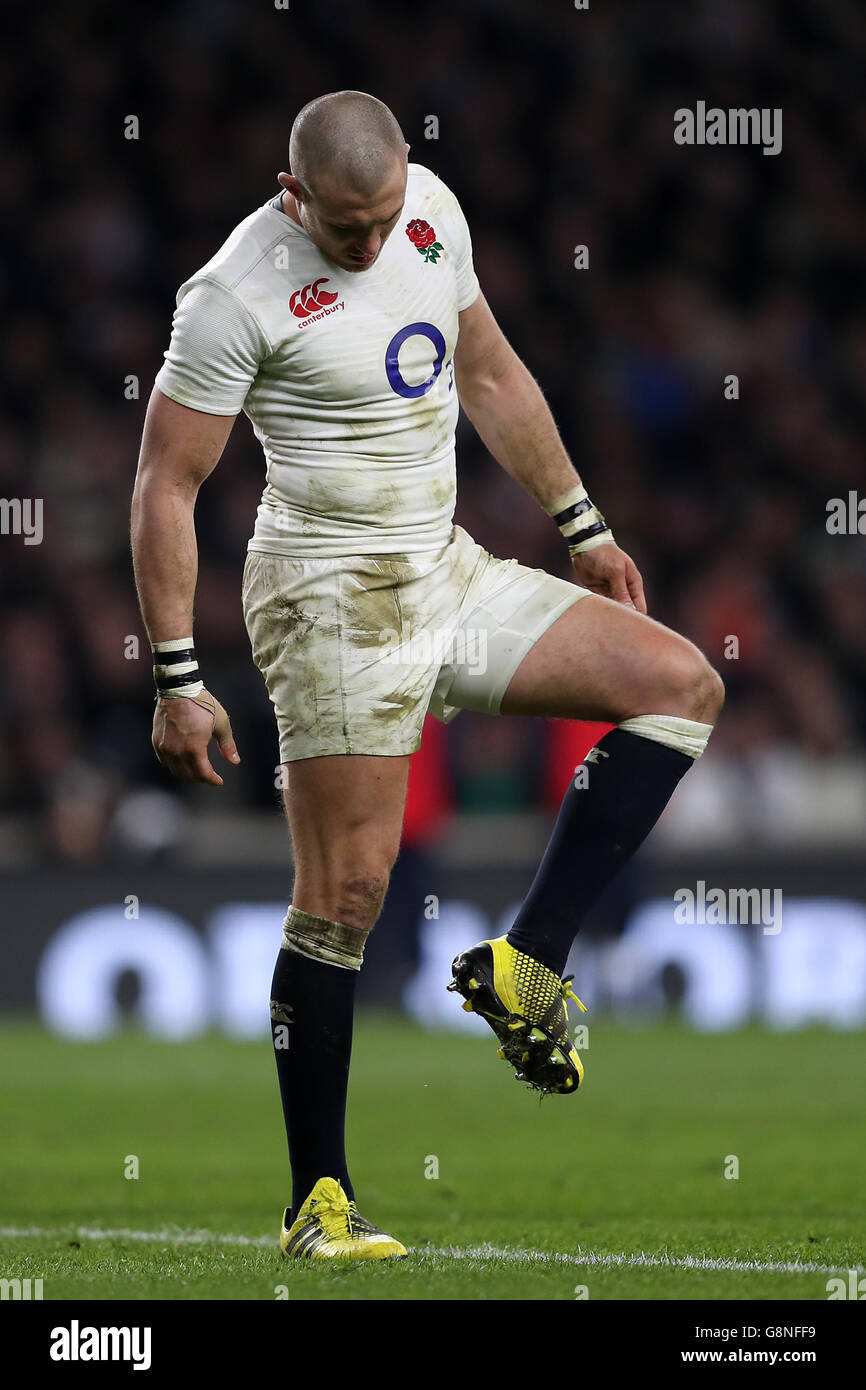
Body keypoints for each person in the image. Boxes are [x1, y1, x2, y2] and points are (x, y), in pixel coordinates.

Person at [131, 90, 723, 1262]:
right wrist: (176, 676)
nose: (367, 244)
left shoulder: (427, 211)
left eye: (382, 216)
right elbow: (165, 484)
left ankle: (527, 961)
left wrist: (581, 523)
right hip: (327, 602)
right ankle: (319, 1201)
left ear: (407, 176)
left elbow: (491, 372)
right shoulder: (231, 293)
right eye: (345, 228)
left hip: (447, 573)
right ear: (291, 193)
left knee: (681, 685)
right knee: (345, 899)